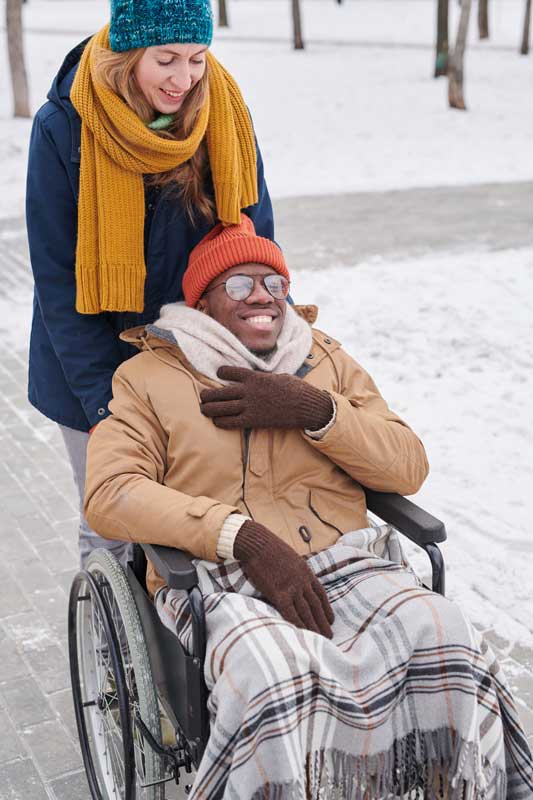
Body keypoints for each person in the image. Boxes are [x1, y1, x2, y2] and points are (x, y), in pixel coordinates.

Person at [84, 216, 533, 799]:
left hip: (346, 561)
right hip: (220, 579)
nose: (262, 297)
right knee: (270, 674)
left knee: (445, 633)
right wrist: (239, 536)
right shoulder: (147, 378)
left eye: (273, 282)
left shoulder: (322, 359)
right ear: (202, 300)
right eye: (239, 284)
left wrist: (316, 409)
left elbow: (407, 466)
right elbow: (110, 491)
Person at [25, 0, 273, 567]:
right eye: (166, 59)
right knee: (113, 522)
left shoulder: (224, 115)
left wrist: (254, 348)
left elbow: (257, 245)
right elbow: (59, 284)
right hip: (92, 357)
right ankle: (109, 651)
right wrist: (104, 405)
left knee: (196, 515)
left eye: (196, 59)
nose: (184, 79)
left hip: (194, 357)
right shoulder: (64, 126)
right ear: (129, 53)